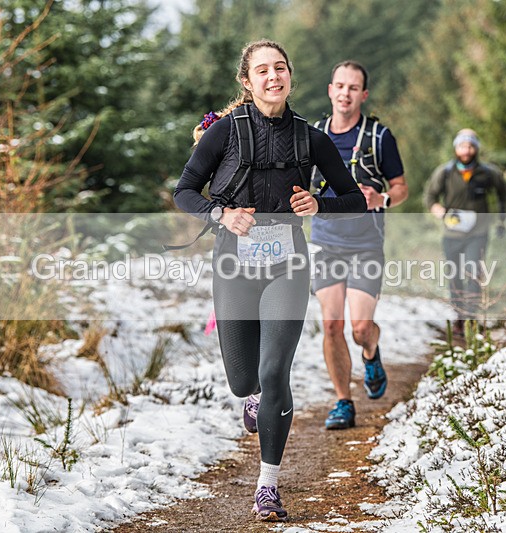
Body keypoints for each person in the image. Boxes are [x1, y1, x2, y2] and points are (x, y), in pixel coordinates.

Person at [173, 40, 366, 522]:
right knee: (244, 381)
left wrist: (320, 205)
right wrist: (222, 213)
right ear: (247, 80)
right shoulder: (223, 133)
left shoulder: (310, 138)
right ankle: (255, 396)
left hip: (289, 265)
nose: (273, 77)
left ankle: (268, 486)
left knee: (275, 370)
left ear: (290, 76)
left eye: (280, 68)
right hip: (234, 264)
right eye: (262, 70)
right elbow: (183, 193)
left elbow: (355, 199)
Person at [310, 61, 408, 431]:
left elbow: (401, 187)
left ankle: (371, 350)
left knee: (360, 327)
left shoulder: (380, 137)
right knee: (332, 325)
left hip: (366, 244)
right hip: (325, 241)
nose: (345, 93)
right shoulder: (313, 135)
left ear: (363, 95)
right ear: (330, 90)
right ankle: (343, 402)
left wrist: (380, 197)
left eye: (353, 88)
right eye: (340, 86)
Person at [423, 128, 506, 336]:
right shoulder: (445, 172)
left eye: (470, 146)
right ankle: (459, 317)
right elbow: (430, 198)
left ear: (476, 148)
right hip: (451, 234)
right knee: (455, 275)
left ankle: (472, 318)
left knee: (473, 274)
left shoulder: (488, 173)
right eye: (462, 146)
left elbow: (503, 193)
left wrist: (501, 220)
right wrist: (440, 212)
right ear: (456, 148)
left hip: (478, 233)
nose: (466, 150)